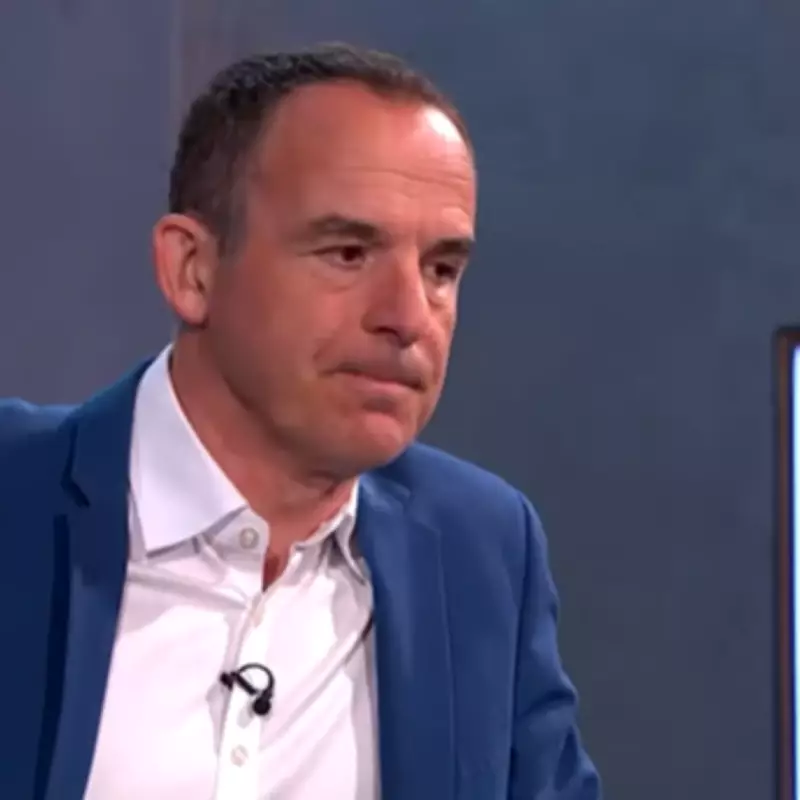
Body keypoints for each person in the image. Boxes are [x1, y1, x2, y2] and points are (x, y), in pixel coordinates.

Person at [0, 43, 601, 800]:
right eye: (348, 253)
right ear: (192, 270)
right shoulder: (15, 493)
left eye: (441, 270)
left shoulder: (481, 550)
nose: (409, 316)